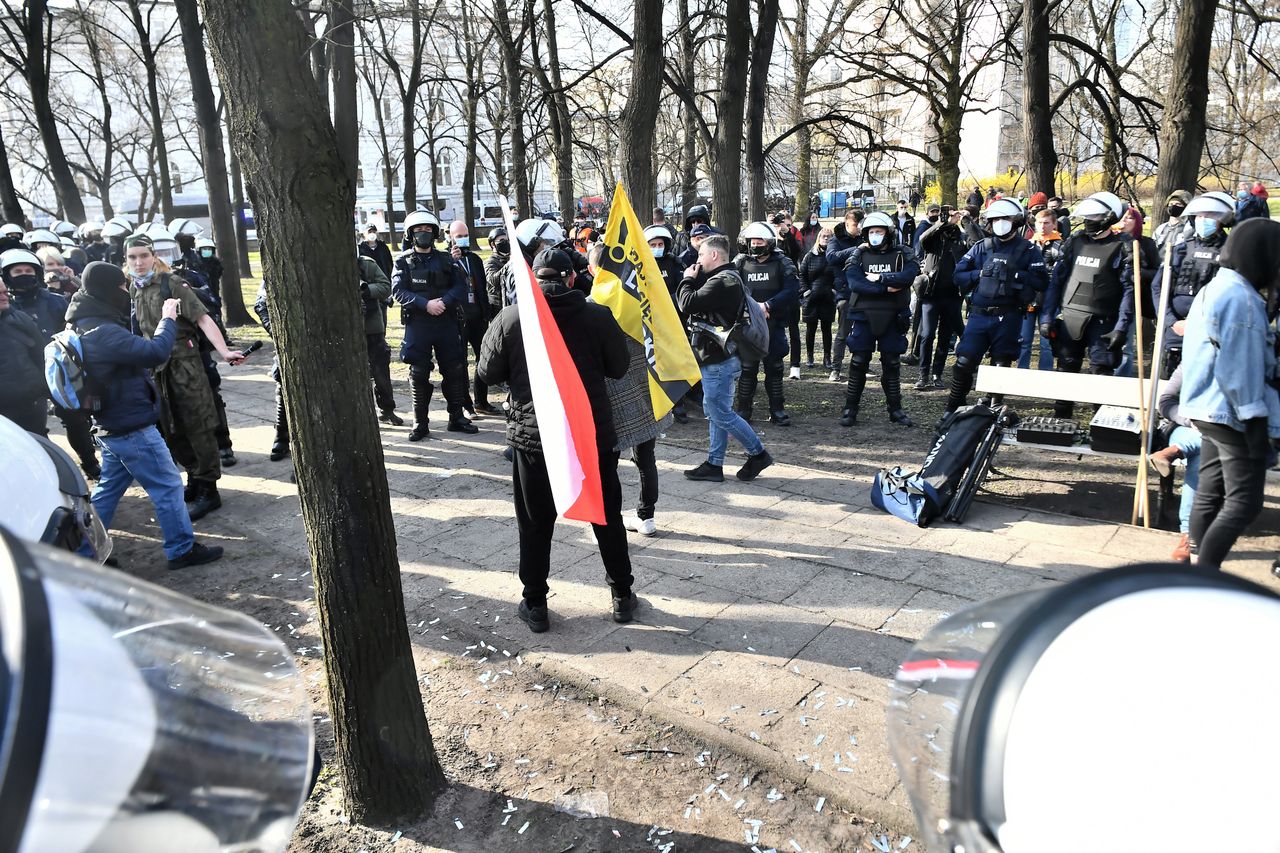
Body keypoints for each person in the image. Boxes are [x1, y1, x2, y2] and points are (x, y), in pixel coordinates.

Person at [476, 248, 637, 633]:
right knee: (606, 515)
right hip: (589, 436)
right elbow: (619, 367)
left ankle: (535, 603)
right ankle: (621, 594)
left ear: (534, 278)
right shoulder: (596, 315)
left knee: (534, 521)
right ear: (569, 278)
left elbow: (485, 372)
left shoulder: (512, 318)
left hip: (534, 440)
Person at [63, 262, 224, 568]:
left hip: (111, 426)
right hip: (131, 426)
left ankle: (83, 555)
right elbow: (155, 352)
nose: (126, 291)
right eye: (122, 287)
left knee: (108, 490)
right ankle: (181, 549)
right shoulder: (104, 332)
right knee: (167, 485)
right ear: (108, 290)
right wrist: (167, 320)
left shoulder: (84, 323)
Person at [1178, 217, 1280, 568]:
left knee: (1209, 491)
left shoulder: (1215, 287)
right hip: (1232, 413)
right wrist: (1254, 420)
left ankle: (1196, 565)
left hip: (1205, 408)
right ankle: (1205, 576)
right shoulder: (1242, 300)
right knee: (1243, 503)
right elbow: (1240, 367)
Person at [126, 234, 244, 521]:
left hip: (185, 365)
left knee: (198, 425)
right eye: (132, 257)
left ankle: (209, 488)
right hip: (156, 369)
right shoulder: (135, 288)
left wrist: (224, 351)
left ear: (153, 256)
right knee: (170, 428)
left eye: (143, 255)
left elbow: (203, 318)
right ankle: (193, 477)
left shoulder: (172, 283)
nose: (139, 262)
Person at [585, 242, 670, 536]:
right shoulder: (640, 298)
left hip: (609, 396)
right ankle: (646, 516)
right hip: (644, 389)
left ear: (591, 270)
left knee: (607, 463)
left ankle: (608, 517)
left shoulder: (589, 307)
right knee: (646, 458)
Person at [676, 234, 774, 482]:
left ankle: (758, 453)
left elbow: (687, 303)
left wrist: (687, 279)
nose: (698, 259)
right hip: (719, 358)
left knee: (720, 413)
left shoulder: (722, 281)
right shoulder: (726, 279)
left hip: (719, 360)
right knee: (716, 410)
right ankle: (714, 463)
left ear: (714, 255)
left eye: (701, 254)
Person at [945, 198, 1049, 412]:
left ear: (1016, 221)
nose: (1000, 223)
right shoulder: (982, 247)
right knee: (964, 362)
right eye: (996, 219)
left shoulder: (1028, 249)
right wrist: (980, 274)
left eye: (1005, 219)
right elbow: (958, 274)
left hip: (1009, 315)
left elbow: (1042, 281)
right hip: (979, 315)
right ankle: (954, 406)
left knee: (1001, 365)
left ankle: (993, 406)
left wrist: (1017, 274)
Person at [2, 248, 99, 478]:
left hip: (61, 372)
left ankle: (89, 463)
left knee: (76, 421)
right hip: (26, 382)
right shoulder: (7, 307)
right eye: (18, 271)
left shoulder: (55, 302)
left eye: (28, 270)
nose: (24, 274)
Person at [1041, 191, 1134, 418]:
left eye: (1094, 217)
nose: (1088, 223)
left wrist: (1121, 327)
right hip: (1070, 318)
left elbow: (1129, 291)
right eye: (1087, 217)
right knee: (1065, 370)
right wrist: (1047, 317)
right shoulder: (1075, 243)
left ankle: (1100, 425)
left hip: (1104, 322)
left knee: (1101, 374)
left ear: (1109, 217)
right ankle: (1060, 423)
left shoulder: (1123, 247)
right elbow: (1057, 282)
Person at [391, 209, 477, 440]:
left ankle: (457, 417)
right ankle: (420, 423)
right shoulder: (402, 261)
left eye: (428, 230)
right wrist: (425, 304)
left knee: (454, 370)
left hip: (446, 323)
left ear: (435, 233)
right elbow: (398, 291)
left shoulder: (447, 260)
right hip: (419, 325)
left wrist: (444, 302)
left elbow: (460, 287)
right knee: (418, 373)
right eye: (418, 230)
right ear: (410, 234)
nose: (423, 234)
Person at [836, 210, 920, 426]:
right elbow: (855, 283)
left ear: (888, 233)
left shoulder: (903, 253)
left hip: (894, 316)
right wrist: (886, 288)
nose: (875, 235)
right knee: (858, 362)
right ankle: (850, 409)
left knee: (891, 364)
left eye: (879, 231)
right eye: (871, 231)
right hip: (863, 315)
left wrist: (881, 278)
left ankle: (896, 410)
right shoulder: (859, 254)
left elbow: (908, 276)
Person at [1155, 191, 1234, 379]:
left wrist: (1201, 324)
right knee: (1169, 388)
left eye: (1210, 215)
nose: (1203, 219)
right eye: (1200, 215)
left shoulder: (1231, 252)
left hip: (1211, 332)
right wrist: (1172, 321)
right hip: (1176, 331)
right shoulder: (1180, 249)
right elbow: (1158, 288)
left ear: (1223, 219)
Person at [731, 221, 800, 424]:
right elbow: (731, 288)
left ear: (769, 242)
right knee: (748, 368)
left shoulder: (783, 263)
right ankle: (744, 411)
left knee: (774, 368)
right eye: (752, 240)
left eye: (760, 240)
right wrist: (751, 309)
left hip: (774, 323)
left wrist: (768, 306)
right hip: (747, 324)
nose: (755, 244)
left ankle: (777, 410)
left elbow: (791, 290)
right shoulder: (740, 262)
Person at [1149, 365, 1201, 562]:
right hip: (1185, 428)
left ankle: (1188, 535)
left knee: (1202, 455)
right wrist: (1192, 420)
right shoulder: (1191, 362)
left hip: (1229, 436)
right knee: (1206, 446)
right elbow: (1166, 402)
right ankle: (1190, 535)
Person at [915, 206, 971, 388]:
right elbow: (923, 239)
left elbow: (975, 242)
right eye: (946, 213)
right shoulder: (934, 237)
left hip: (952, 295)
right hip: (931, 294)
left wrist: (964, 221)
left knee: (945, 337)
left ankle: (937, 374)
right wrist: (941, 223)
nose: (950, 216)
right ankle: (923, 374)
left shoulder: (960, 238)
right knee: (926, 335)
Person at [448, 219, 498, 415]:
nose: (462, 239)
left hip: (478, 316)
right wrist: (452, 262)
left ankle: (481, 401)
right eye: (458, 236)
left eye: (465, 235)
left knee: (483, 358)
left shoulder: (475, 260)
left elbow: (483, 289)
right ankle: (465, 404)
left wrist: (486, 313)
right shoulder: (447, 260)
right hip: (458, 318)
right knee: (460, 361)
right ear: (450, 237)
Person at [355, 251, 403, 426]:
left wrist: (365, 290)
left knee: (380, 371)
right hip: (344, 329)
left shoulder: (366, 264)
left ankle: (387, 410)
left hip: (372, 329)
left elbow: (385, 287)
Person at [1112, 206, 1161, 379]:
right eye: (1122, 218)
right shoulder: (1112, 241)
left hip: (1132, 299)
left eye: (1129, 218)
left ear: (1138, 222)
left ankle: (1123, 380)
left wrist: (1140, 274)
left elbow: (1157, 271)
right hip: (1110, 297)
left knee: (1126, 344)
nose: (1125, 221)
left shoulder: (1146, 243)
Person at [1019, 207, 1067, 371]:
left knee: (1046, 342)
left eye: (1046, 223)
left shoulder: (1060, 246)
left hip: (1049, 300)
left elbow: (1061, 273)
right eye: (1039, 222)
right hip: (1029, 297)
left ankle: (1045, 372)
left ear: (1054, 224)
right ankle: (1022, 370)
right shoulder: (1028, 244)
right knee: (1024, 340)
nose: (1042, 226)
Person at [0, 276, 48, 433]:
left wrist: (42, 391)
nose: (4, 296)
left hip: (32, 405)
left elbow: (41, 355)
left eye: (5, 292)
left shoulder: (20, 320)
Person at [826, 208, 865, 381]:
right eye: (856, 225)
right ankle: (836, 368)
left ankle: (862, 364)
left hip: (864, 291)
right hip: (845, 292)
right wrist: (857, 250)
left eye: (860, 225)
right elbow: (832, 257)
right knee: (843, 333)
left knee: (864, 332)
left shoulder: (865, 238)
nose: (858, 228)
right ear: (847, 223)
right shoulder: (836, 240)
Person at [799, 227, 837, 370]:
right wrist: (806, 291)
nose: (826, 239)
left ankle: (827, 357)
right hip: (812, 298)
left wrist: (834, 291)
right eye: (823, 236)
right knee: (811, 328)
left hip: (828, 298)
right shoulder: (809, 256)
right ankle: (810, 355)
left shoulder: (835, 256)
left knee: (827, 329)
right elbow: (802, 275)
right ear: (818, 238)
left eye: (829, 236)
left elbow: (839, 275)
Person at [1153, 189, 1192, 255]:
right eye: (1171, 204)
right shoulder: (1161, 228)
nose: (1173, 206)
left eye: (1178, 204)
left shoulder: (1190, 228)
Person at [485, 226, 511, 312]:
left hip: (511, 304)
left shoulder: (510, 259)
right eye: (502, 241)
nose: (505, 243)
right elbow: (493, 279)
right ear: (493, 244)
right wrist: (510, 264)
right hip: (497, 308)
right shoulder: (489, 262)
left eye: (507, 241)